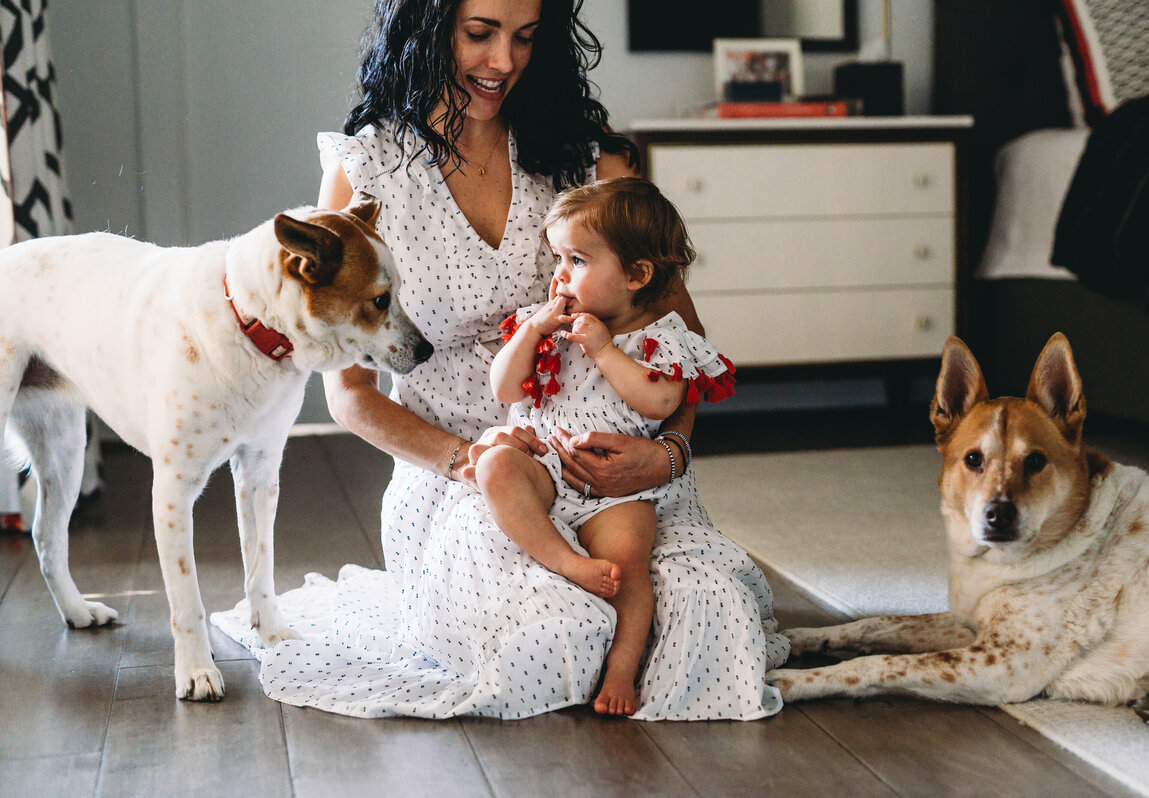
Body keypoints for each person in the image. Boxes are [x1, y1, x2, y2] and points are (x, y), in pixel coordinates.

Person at [212, 0, 788, 720]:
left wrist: (666, 455)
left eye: (524, 38)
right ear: (426, 29)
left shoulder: (591, 157)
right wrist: (468, 457)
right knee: (561, 633)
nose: (504, 63)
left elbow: (683, 345)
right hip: (461, 474)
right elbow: (349, 393)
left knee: (707, 618)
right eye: (479, 34)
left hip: (618, 477)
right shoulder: (370, 170)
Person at [473, 178, 737, 714]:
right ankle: (564, 561)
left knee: (629, 566)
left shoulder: (658, 338)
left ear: (636, 275)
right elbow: (503, 388)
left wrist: (602, 349)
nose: (559, 275)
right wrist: (531, 332)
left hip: (620, 493)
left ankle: (621, 668)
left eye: (577, 260)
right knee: (497, 468)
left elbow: (660, 402)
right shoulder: (547, 325)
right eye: (558, 258)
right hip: (547, 466)